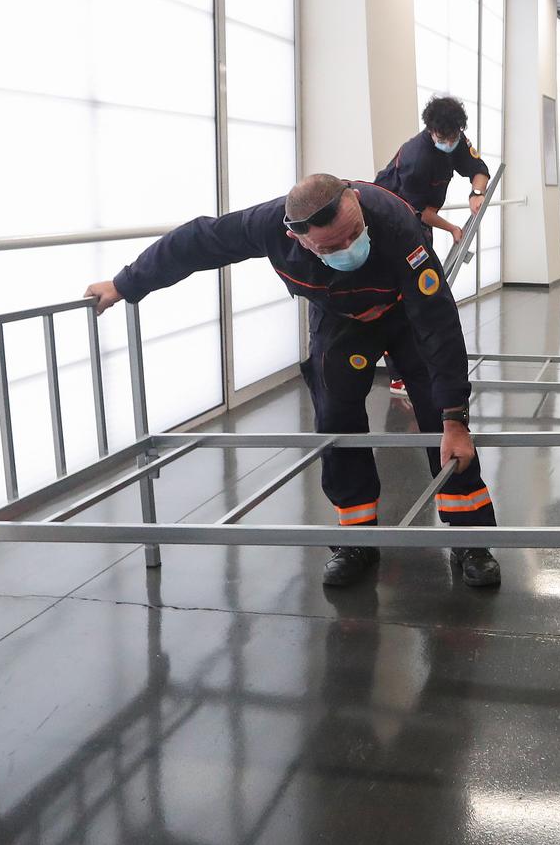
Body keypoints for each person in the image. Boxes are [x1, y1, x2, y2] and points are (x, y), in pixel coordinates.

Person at [83, 173, 503, 589]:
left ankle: (471, 538)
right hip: (341, 320)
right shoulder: (267, 226)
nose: (348, 247)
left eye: (354, 233)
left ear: (356, 203)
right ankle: (355, 540)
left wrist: (455, 418)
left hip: (405, 311)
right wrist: (124, 284)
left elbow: (438, 323)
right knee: (335, 417)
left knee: (438, 409)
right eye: (330, 246)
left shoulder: (395, 223)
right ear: (296, 238)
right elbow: (197, 242)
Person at [374, 96, 492, 397]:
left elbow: (478, 168)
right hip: (391, 223)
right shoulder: (417, 157)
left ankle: (420, 362)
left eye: (453, 137)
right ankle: (398, 376)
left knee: (423, 293)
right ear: (431, 131)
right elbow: (420, 211)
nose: (448, 142)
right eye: (442, 137)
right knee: (403, 297)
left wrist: (476, 193)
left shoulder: (456, 139)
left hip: (418, 221)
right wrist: (452, 228)